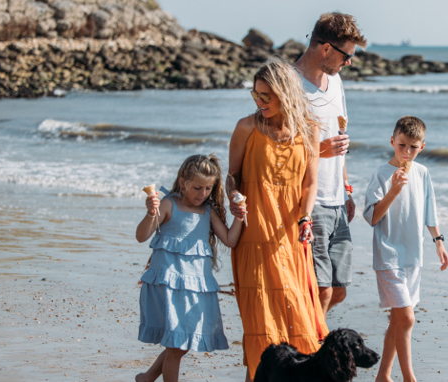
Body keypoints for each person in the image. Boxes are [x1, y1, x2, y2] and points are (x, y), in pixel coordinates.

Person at [226, 59, 327, 381]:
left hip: (292, 236)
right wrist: (233, 197)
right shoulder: (246, 127)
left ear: (286, 93)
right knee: (260, 324)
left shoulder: (309, 129)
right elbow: (231, 176)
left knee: (294, 317)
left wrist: (306, 217)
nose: (259, 102)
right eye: (256, 94)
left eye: (266, 96)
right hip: (253, 234)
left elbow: (310, 182)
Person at [134, 154, 244, 382]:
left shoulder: (208, 212)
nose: (202, 194)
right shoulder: (168, 205)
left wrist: (240, 218)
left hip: (195, 289)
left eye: (207, 188)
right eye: (196, 188)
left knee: (181, 343)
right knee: (177, 345)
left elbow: (230, 240)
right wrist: (151, 213)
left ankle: (147, 378)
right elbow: (141, 236)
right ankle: (149, 378)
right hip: (168, 286)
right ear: (183, 182)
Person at [362, 116, 448, 382]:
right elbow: (372, 217)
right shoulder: (381, 174)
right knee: (407, 319)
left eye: (413, 147)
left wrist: (439, 242)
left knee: (397, 319)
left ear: (422, 147)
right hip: (388, 256)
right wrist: (392, 191)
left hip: (413, 256)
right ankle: (409, 378)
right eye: (402, 145)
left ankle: (383, 376)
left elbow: (429, 211)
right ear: (392, 142)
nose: (407, 152)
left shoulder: (422, 173)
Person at [293, 12, 368, 315]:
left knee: (337, 291)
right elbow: (275, 148)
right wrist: (318, 151)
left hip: (337, 199)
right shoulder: (289, 85)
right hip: (310, 199)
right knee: (320, 289)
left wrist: (347, 189)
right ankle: (311, 355)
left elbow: (340, 139)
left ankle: (308, 347)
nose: (349, 62)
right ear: (325, 49)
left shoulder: (335, 83)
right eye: (347, 55)